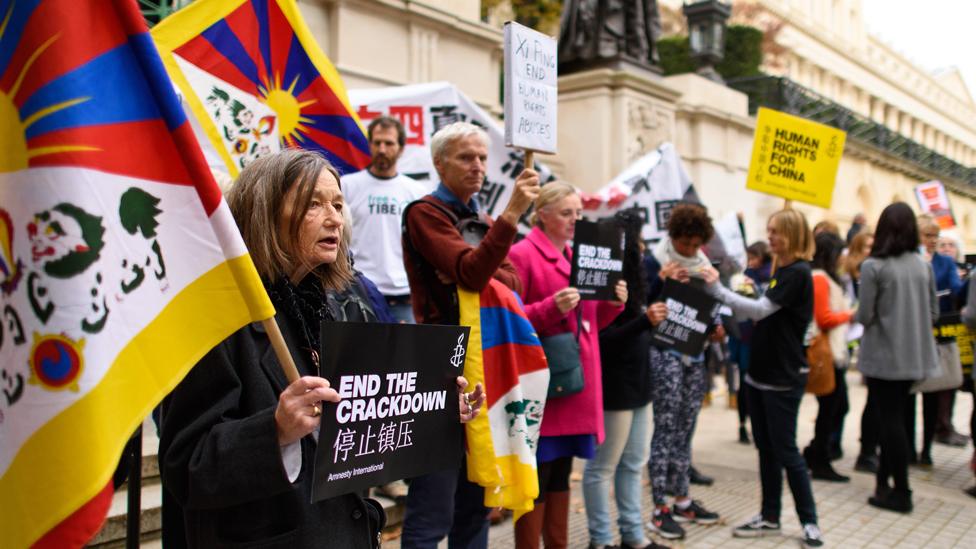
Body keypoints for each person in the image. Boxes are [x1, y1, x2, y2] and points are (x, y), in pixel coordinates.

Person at [158, 150, 483, 548]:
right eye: (313, 204)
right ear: (264, 213)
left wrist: (432, 410)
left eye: (338, 204)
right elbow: (186, 466)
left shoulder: (328, 308)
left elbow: (366, 427)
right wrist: (274, 430)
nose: (334, 218)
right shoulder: (215, 318)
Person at [400, 122, 539, 549]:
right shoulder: (424, 213)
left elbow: (514, 285)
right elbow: (477, 273)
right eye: (466, 157)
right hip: (439, 370)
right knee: (433, 507)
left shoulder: (482, 219)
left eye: (482, 157)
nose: (478, 166)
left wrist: (474, 271)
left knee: (475, 504)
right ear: (440, 163)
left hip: (487, 365)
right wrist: (511, 217)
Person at [507, 182, 627, 549]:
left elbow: (589, 322)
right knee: (537, 475)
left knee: (561, 473)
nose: (575, 219)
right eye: (566, 213)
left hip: (575, 381)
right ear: (541, 214)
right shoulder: (522, 254)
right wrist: (549, 308)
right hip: (543, 385)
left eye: (578, 213)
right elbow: (509, 318)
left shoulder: (581, 254)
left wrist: (613, 304)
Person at [706, 208, 824, 547]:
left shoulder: (797, 272)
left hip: (782, 376)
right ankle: (769, 515)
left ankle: (809, 522)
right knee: (767, 450)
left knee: (786, 451)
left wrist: (717, 290)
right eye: (769, 230)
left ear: (793, 235)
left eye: (776, 232)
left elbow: (760, 310)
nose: (770, 237)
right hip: (760, 373)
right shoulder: (780, 269)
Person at [580, 209, 668, 549]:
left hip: (639, 382)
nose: (645, 248)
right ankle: (600, 539)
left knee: (633, 463)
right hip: (615, 384)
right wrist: (645, 321)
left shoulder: (634, 280)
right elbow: (602, 339)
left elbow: (636, 323)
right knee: (602, 467)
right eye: (640, 242)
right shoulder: (604, 281)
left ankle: (633, 536)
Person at [643, 203, 722, 542]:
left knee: (686, 427)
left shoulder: (704, 266)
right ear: (672, 237)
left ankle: (682, 499)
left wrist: (718, 327)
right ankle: (659, 507)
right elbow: (642, 307)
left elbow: (711, 309)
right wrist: (661, 284)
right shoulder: (654, 261)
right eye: (684, 244)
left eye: (695, 245)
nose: (690, 251)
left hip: (695, 355)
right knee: (665, 428)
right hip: (664, 353)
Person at [856, 202, 939, 513]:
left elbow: (865, 315)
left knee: (890, 422)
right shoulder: (923, 266)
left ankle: (901, 491)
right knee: (899, 419)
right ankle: (883, 484)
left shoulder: (873, 266)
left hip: (883, 357)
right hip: (914, 357)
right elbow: (934, 312)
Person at [344, 116, 428, 324]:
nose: (382, 149)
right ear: (370, 145)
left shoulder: (416, 192)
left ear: (400, 149)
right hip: (358, 291)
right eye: (377, 142)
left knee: (403, 356)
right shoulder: (347, 186)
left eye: (389, 143)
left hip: (403, 297)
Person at [801, 232, 855, 482]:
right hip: (828, 353)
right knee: (833, 406)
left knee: (835, 406)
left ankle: (815, 452)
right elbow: (824, 318)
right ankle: (818, 456)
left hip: (834, 351)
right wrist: (850, 315)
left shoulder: (825, 278)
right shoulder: (820, 279)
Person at [918, 217, 967, 453]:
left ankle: (930, 442)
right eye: (928, 236)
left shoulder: (945, 264)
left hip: (940, 330)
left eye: (935, 236)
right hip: (915, 332)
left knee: (938, 387)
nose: (933, 241)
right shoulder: (912, 261)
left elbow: (957, 290)